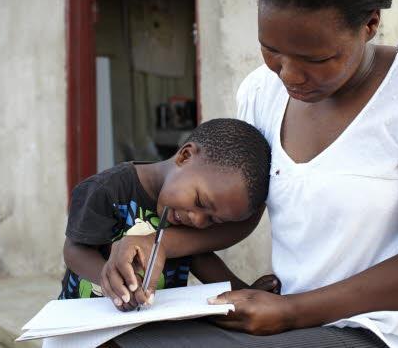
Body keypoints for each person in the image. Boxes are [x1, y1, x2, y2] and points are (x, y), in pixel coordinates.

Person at [100, 0, 398, 347]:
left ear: (369, 25)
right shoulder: (261, 92)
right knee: (121, 340)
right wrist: (152, 242)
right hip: (292, 325)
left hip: (385, 330)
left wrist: (292, 312)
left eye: (315, 58)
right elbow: (240, 214)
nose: (289, 74)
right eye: (271, 50)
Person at [59, 118, 279, 309]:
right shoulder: (106, 190)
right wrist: (110, 280)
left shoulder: (184, 214)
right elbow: (74, 250)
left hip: (147, 326)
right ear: (184, 156)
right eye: (200, 201)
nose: (198, 219)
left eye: (212, 219)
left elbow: (200, 258)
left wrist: (245, 293)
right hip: (85, 321)